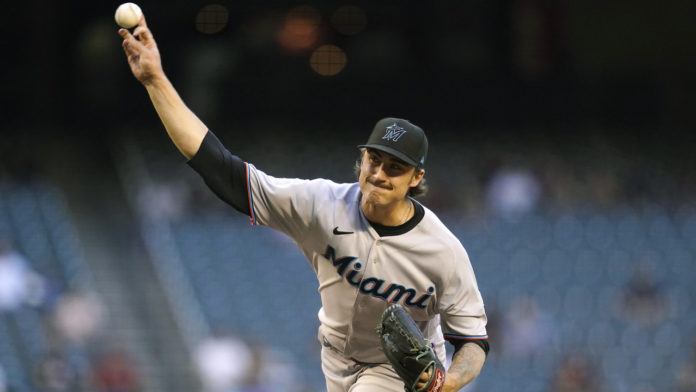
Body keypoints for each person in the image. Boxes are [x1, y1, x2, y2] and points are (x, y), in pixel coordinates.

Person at [117, 15, 488, 392]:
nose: (378, 174)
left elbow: (472, 341)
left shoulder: (442, 250)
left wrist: (451, 381)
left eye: (394, 168)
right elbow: (222, 170)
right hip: (337, 362)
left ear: (416, 179)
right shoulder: (321, 204)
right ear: (362, 159)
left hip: (399, 373)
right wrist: (155, 80)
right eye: (374, 161)